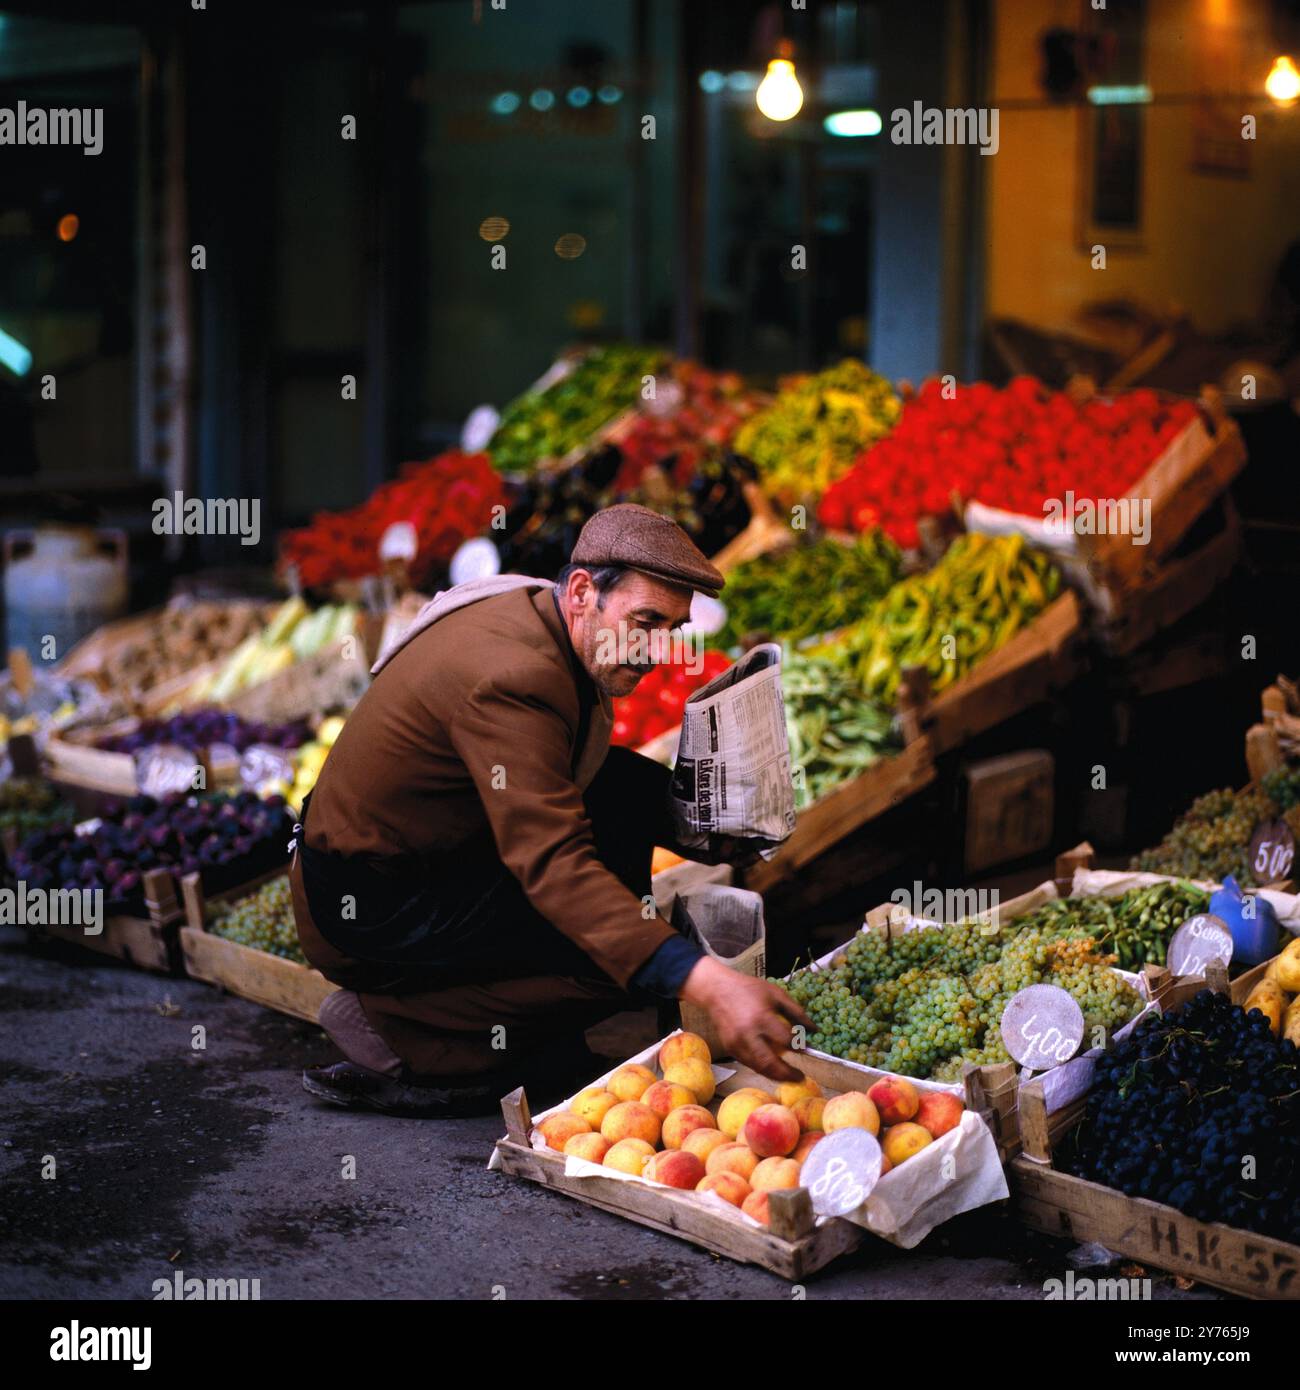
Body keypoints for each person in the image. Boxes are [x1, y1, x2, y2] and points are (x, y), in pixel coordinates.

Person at [292, 503, 809, 1116]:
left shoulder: (542, 609)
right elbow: (555, 869)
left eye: (670, 628)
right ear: (586, 590)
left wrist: (704, 832)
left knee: (617, 806)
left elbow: (587, 772)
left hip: (425, 857)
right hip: (371, 908)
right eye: (644, 621)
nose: (654, 650)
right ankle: (400, 1026)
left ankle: (498, 1013)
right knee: (614, 958)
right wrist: (709, 981)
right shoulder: (514, 677)